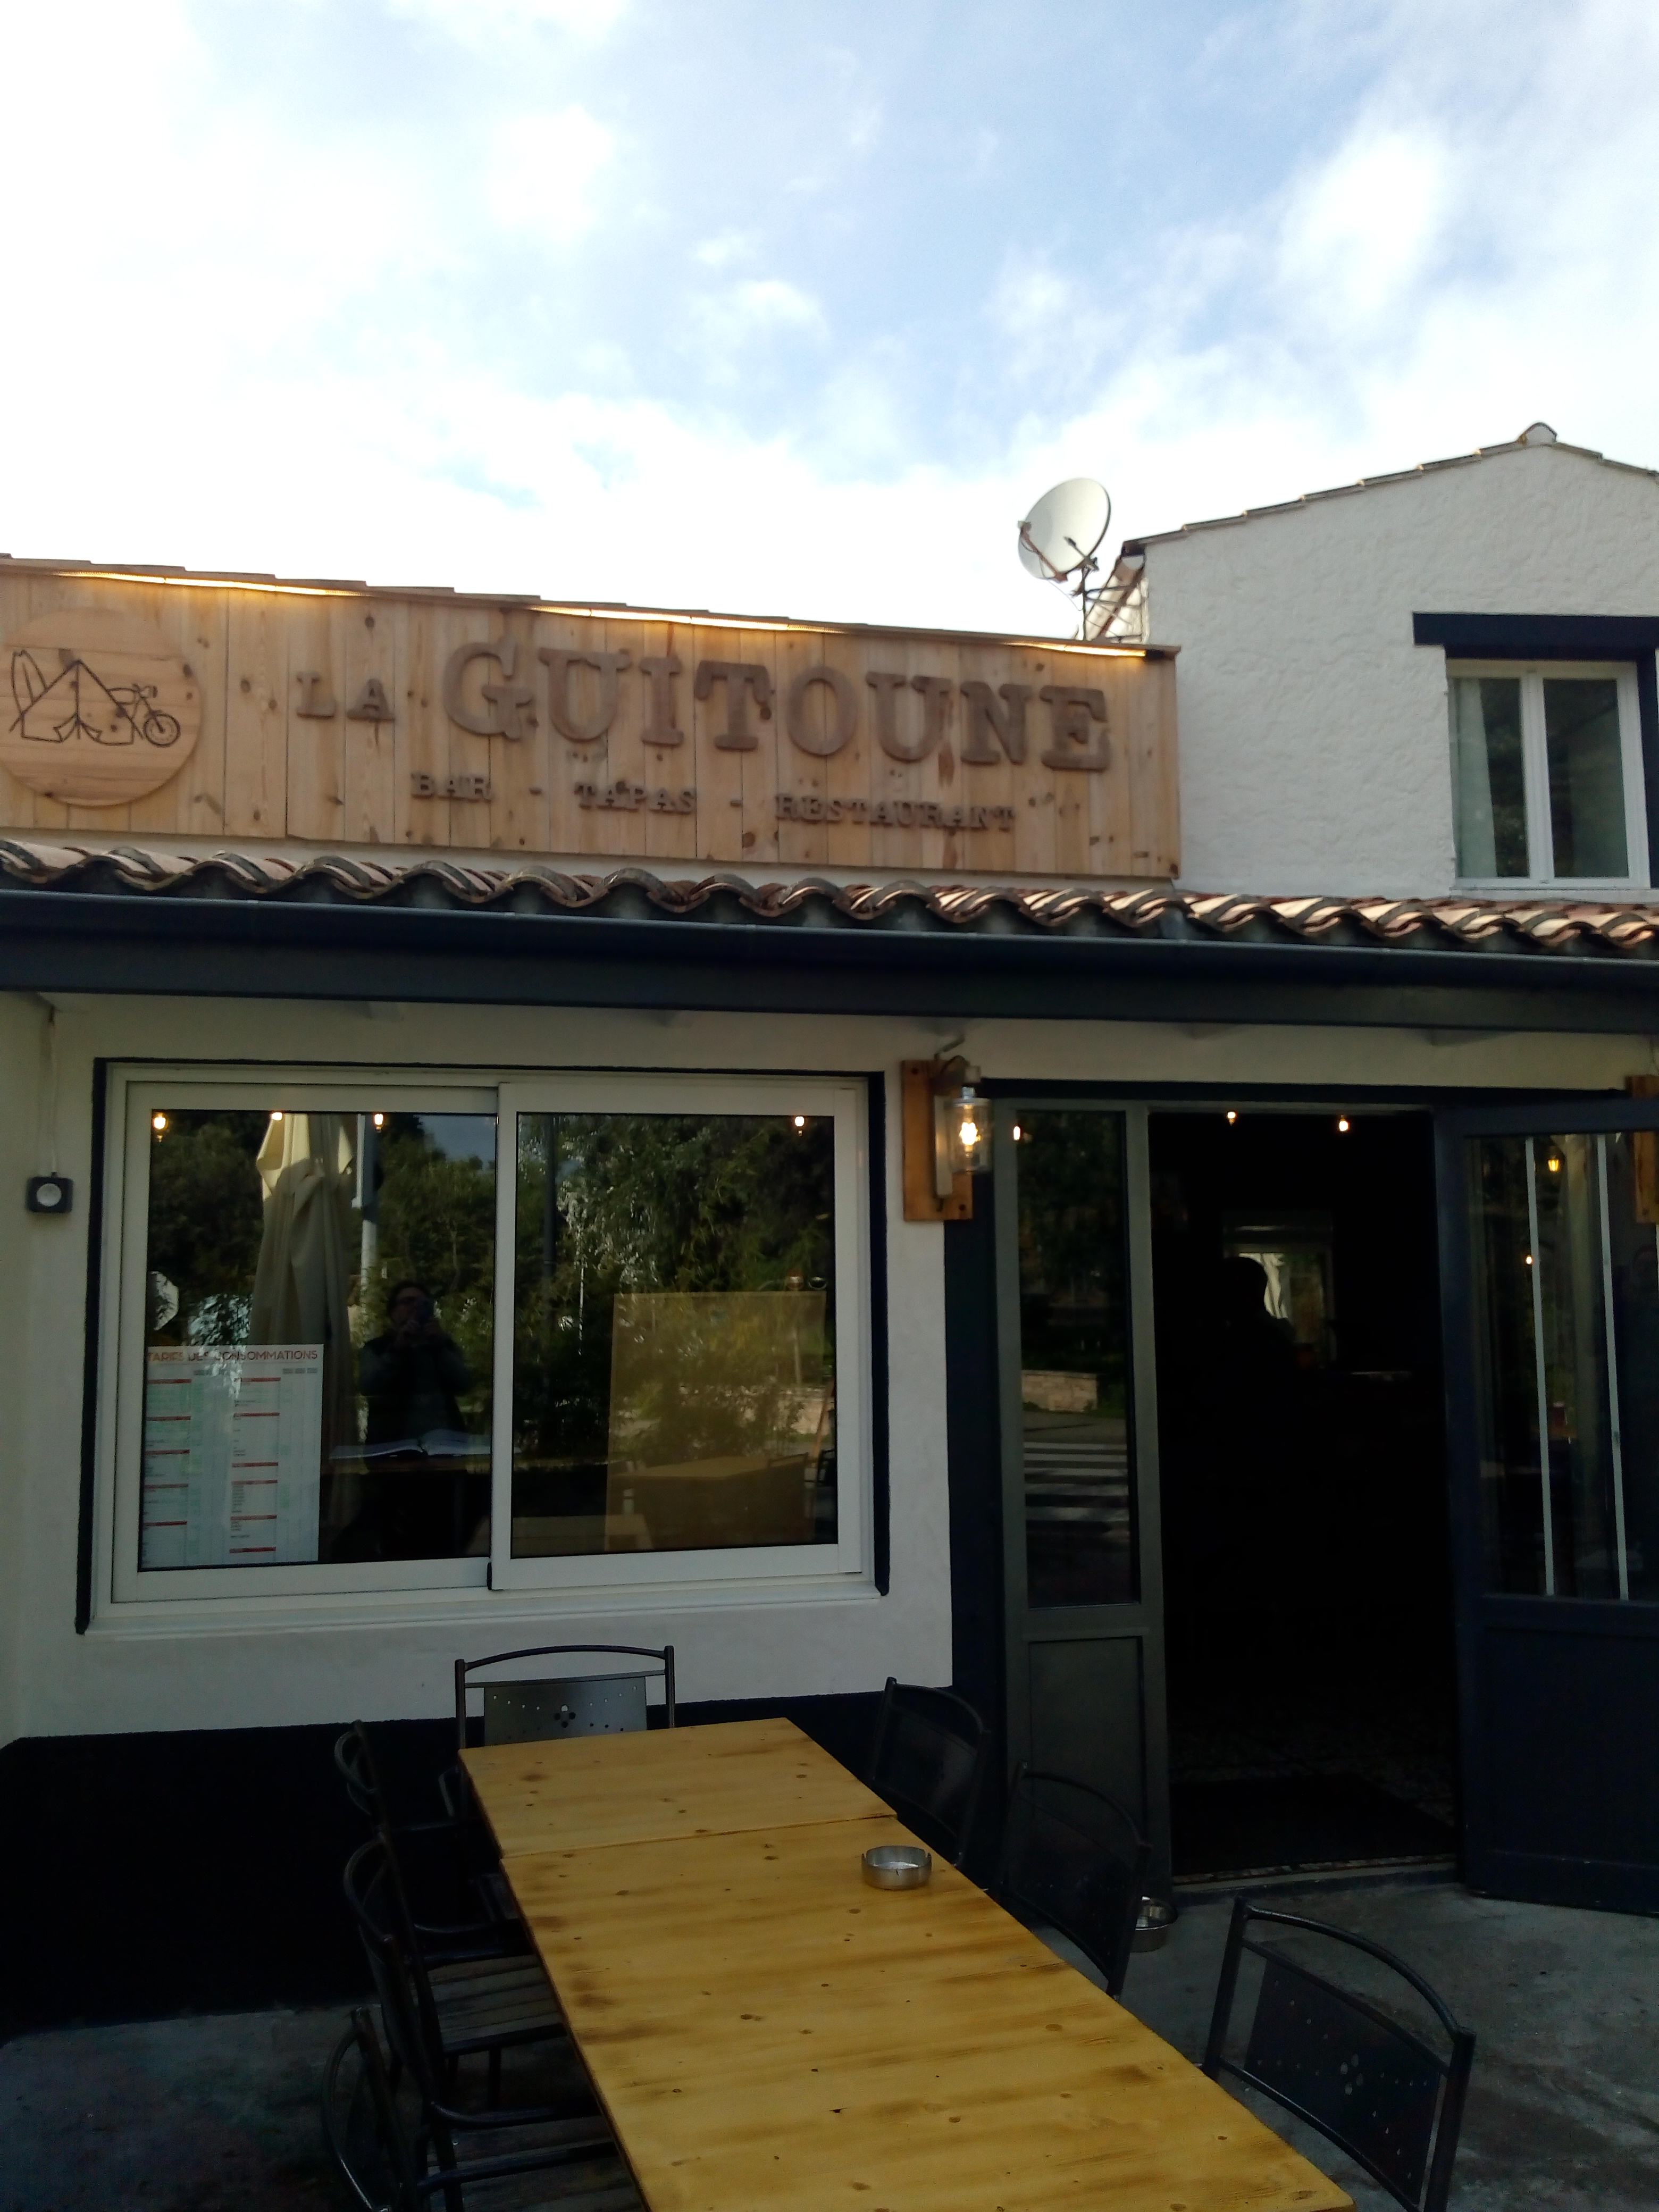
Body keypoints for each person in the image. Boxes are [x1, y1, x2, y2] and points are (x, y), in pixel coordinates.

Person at [358, 1278, 474, 1447]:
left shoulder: (442, 1345)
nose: (415, 1307)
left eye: (422, 1303)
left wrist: (439, 1348)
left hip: (444, 1448)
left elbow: (466, 1385)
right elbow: (369, 1387)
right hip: (392, 1448)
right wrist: (397, 1351)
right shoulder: (377, 1348)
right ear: (393, 1313)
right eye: (408, 1302)